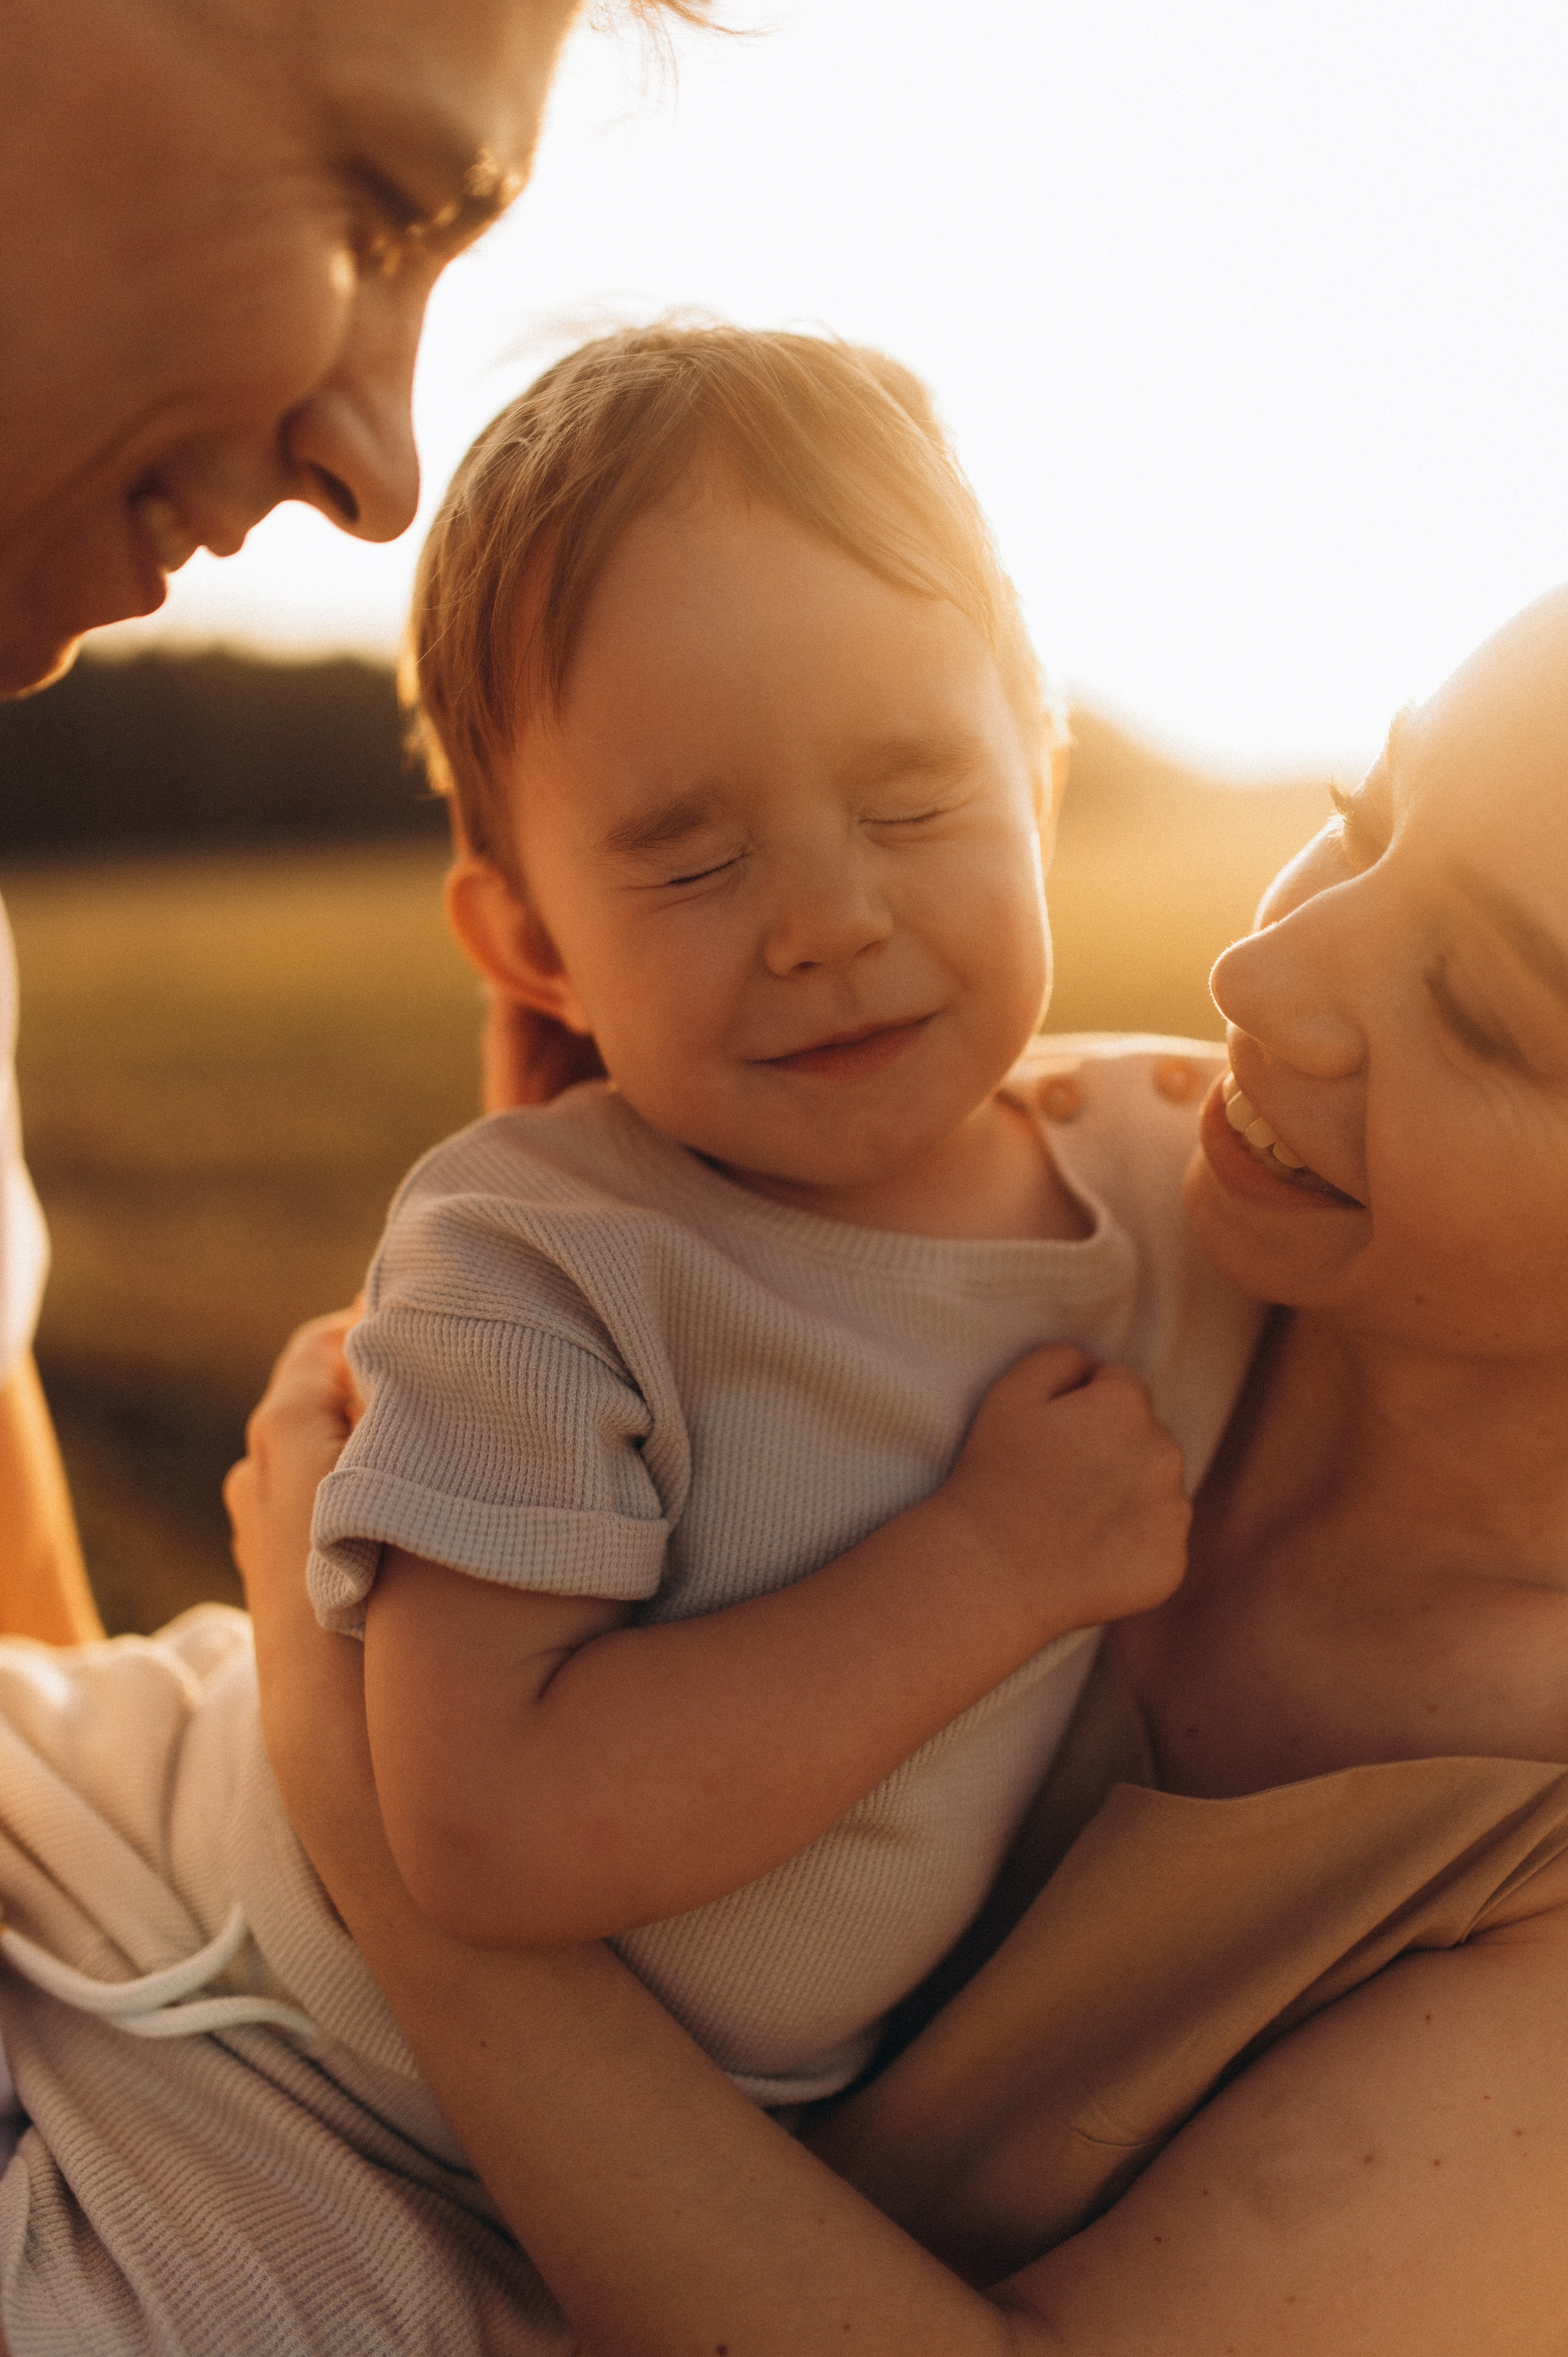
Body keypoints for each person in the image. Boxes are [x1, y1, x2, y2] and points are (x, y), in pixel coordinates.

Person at [235, 580, 1568, 2353]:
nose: (1257, 978)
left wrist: (369, 1816)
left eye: (1477, 1005)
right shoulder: (1081, 1181)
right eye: (1360, 817)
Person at [304, 325, 1249, 2100]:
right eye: (692, 855)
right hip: (261, 2064)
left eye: (913, 800)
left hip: (654, 2156)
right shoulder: (541, 1254)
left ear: (1038, 783)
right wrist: (982, 1570)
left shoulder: (1188, 1164)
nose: (828, 919)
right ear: (532, 944)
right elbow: (489, 1828)